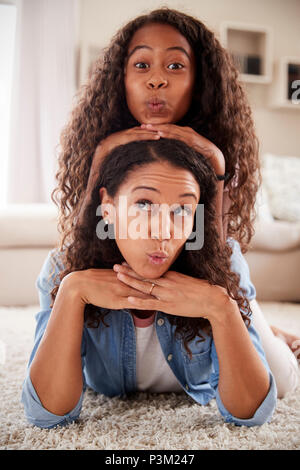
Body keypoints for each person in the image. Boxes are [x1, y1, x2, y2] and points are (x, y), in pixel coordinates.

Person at [51, 8, 299, 395]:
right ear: (123, 78)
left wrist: (215, 166)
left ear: (198, 81)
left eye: (175, 66)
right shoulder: (100, 147)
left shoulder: (216, 153)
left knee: (281, 382)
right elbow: (85, 236)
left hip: (207, 274)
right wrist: (100, 158)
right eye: (143, 64)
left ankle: (254, 320)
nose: (156, 79)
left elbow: (211, 250)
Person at [22, 139, 277, 429]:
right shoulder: (64, 269)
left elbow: (252, 414)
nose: (163, 230)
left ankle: (271, 332)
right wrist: (71, 293)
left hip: (234, 302)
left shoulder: (225, 264)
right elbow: (46, 414)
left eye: (182, 209)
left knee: (282, 375)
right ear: (108, 207)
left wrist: (222, 308)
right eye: (144, 204)